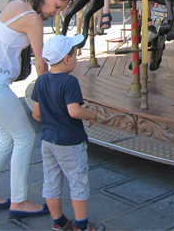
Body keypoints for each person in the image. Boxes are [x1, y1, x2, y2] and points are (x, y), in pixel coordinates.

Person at [0, 0, 73, 217]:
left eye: (60, 10)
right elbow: (41, 62)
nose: (55, 13)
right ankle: (19, 201)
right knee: (24, 138)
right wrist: (45, 95)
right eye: (56, 6)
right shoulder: (33, 19)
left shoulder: (16, 3)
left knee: (6, 139)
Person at [31, 34, 105, 231]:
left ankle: (59, 222)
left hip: (48, 141)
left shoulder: (41, 81)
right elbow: (74, 111)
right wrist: (91, 115)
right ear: (66, 59)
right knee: (78, 181)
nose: (76, 58)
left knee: (51, 181)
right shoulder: (69, 82)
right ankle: (82, 226)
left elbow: (36, 114)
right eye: (75, 54)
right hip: (70, 142)